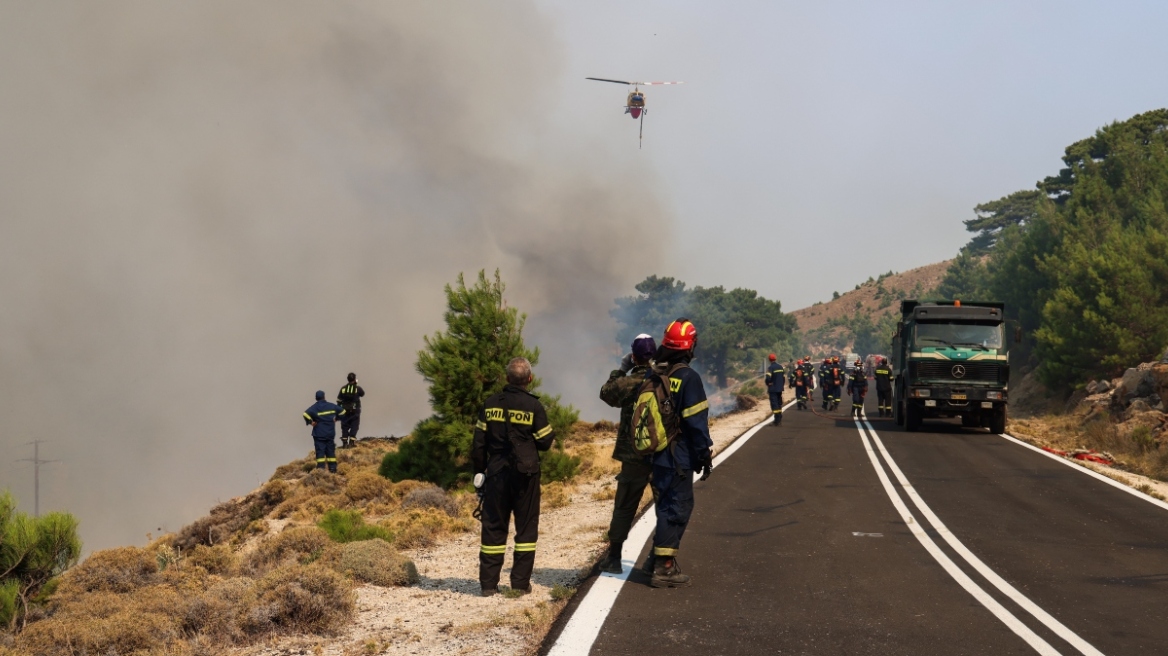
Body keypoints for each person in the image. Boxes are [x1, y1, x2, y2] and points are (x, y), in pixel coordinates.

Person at [471, 357, 555, 597]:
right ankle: (519, 583)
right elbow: (546, 442)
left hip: (496, 474)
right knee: (526, 529)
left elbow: (478, 445)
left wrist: (479, 473)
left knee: (493, 529)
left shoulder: (490, 404)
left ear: (507, 378)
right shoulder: (534, 407)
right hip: (526, 475)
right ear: (530, 379)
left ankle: (488, 586)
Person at [647, 318, 714, 588]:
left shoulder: (653, 375)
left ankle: (655, 559)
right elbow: (695, 422)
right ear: (690, 346)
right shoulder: (688, 377)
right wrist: (704, 455)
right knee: (678, 508)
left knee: (665, 506)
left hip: (656, 454)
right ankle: (663, 566)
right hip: (679, 456)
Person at [596, 334, 658, 574]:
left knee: (624, 506)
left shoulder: (627, 382)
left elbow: (606, 393)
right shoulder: (665, 380)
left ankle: (613, 557)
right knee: (665, 506)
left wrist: (621, 369)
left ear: (634, 357)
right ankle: (659, 560)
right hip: (662, 454)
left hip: (633, 455)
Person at [303, 390, 346, 473]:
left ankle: (321, 469)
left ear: (316, 398)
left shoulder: (314, 408)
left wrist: (311, 422)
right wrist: (337, 418)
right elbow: (343, 411)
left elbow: (305, 414)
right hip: (330, 433)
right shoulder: (331, 406)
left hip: (319, 434)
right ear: (324, 397)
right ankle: (333, 469)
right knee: (330, 451)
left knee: (320, 452)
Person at [336, 373, 365, 448]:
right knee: (354, 426)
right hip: (355, 411)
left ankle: (345, 443)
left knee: (345, 426)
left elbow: (338, 400)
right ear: (354, 379)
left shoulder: (343, 389)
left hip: (344, 411)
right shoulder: (357, 389)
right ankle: (351, 443)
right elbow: (362, 394)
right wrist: (356, 384)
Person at [764, 353, 786, 425]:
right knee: (779, 403)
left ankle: (777, 419)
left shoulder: (770, 368)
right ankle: (779, 416)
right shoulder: (780, 367)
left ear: (769, 360)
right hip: (779, 388)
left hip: (773, 389)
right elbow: (783, 378)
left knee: (774, 403)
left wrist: (768, 383)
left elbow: (768, 378)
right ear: (775, 359)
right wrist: (781, 385)